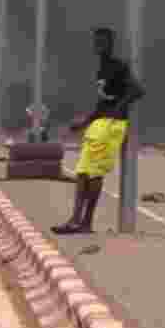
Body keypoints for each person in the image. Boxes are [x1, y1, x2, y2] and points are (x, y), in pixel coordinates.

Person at [53, 27, 145, 235]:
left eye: (103, 42)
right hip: (99, 123)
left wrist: (117, 110)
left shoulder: (117, 66)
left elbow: (137, 90)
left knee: (93, 173)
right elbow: (102, 103)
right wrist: (85, 122)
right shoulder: (102, 68)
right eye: (97, 42)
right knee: (83, 172)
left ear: (110, 44)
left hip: (111, 125)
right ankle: (79, 221)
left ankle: (81, 222)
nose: (99, 45)